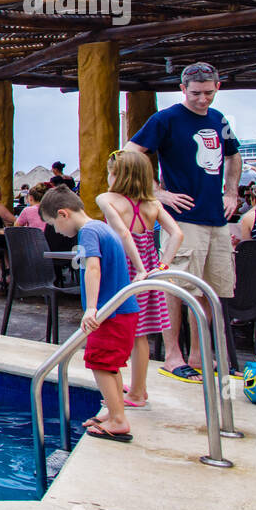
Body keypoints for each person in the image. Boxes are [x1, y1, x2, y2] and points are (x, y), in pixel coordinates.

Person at [123, 61, 241, 383]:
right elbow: (130, 152)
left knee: (208, 288)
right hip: (182, 219)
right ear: (182, 90)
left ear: (217, 87)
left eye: (208, 93)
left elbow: (233, 154)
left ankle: (199, 354)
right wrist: (156, 193)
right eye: (196, 93)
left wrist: (231, 192)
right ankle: (173, 356)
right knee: (176, 288)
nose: (202, 99)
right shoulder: (166, 119)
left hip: (215, 218)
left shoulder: (219, 120)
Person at [40, 186, 142, 442]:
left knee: (100, 362)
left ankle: (119, 419)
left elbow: (93, 268)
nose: (55, 231)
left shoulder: (87, 233)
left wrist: (92, 309)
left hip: (110, 313)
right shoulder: (101, 227)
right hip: (124, 311)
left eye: (53, 224)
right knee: (111, 365)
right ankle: (113, 411)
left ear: (63, 214)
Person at [96, 150, 184, 408]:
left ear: (117, 174)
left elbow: (122, 233)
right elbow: (176, 234)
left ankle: (130, 390)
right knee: (140, 333)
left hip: (123, 269)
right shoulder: (153, 204)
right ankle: (138, 389)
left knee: (117, 328)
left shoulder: (106, 199)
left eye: (109, 172)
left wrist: (138, 269)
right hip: (147, 267)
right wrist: (160, 265)